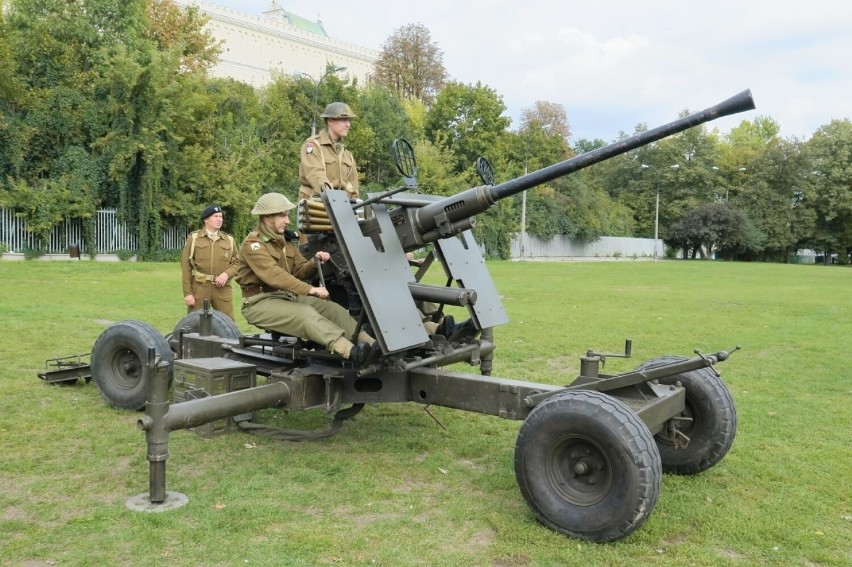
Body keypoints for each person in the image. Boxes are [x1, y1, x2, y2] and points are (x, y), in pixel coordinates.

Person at [235, 192, 378, 365]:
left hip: (285, 297)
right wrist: (311, 290)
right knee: (306, 315)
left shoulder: (285, 242)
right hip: (258, 302)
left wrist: (314, 261)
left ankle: (372, 346)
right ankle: (351, 352)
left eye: (287, 215)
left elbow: (300, 271)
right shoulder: (253, 245)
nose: (287, 221)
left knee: (333, 310)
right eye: (283, 216)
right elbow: (275, 276)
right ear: (266, 217)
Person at [180, 205, 239, 320]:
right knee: (193, 323)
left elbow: (238, 263)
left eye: (221, 216)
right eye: (215, 216)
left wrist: (226, 274)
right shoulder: (194, 238)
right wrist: (188, 293)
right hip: (200, 288)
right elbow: (186, 266)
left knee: (228, 324)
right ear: (206, 220)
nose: (219, 219)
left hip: (222, 289)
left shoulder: (229, 240)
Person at [298, 102, 360, 201]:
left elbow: (353, 188)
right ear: (330, 121)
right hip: (315, 207)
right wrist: (331, 194)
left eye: (349, 120)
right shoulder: (313, 146)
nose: (348, 125)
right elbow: (315, 174)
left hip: (339, 207)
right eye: (344, 120)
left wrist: (355, 208)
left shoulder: (347, 155)